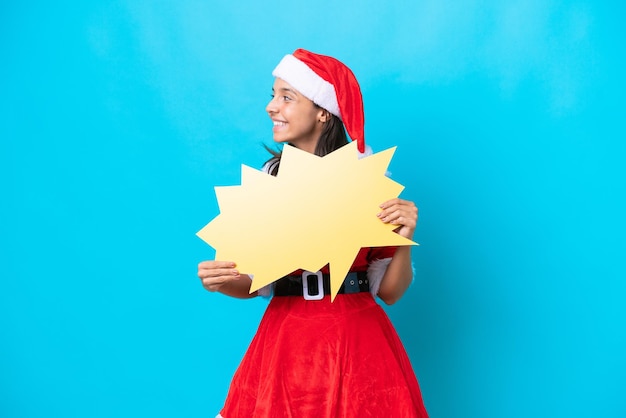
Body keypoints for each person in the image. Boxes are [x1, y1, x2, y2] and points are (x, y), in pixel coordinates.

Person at [198, 49, 429, 418]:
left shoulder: (371, 186)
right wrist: (220, 279)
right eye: (272, 95)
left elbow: (390, 292)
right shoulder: (268, 184)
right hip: (286, 344)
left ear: (323, 111)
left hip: (358, 345)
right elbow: (251, 283)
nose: (272, 107)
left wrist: (405, 238)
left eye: (287, 97)